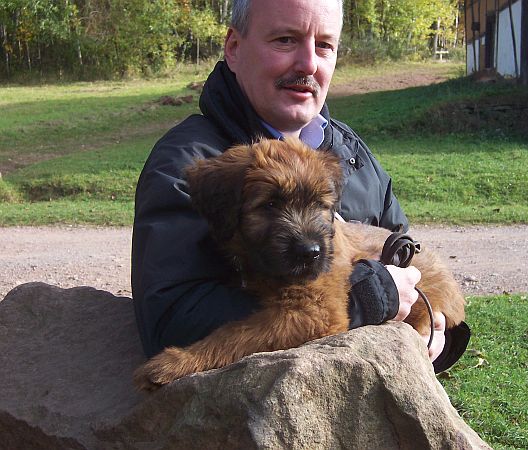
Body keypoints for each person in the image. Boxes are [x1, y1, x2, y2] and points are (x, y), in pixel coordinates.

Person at [132, 0, 469, 373]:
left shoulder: (349, 151)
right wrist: (365, 300)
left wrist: (437, 331)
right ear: (234, 47)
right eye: (285, 40)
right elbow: (171, 321)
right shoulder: (187, 161)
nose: (308, 64)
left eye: (324, 45)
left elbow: (409, 262)